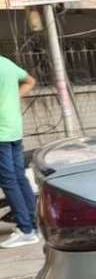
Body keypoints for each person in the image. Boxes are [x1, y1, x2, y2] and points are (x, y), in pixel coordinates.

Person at [0, 55, 39, 248]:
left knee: (9, 181)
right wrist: (11, 97)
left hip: (1, 133)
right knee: (19, 177)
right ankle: (35, 225)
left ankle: (26, 230)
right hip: (14, 129)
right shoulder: (5, 63)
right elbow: (30, 81)